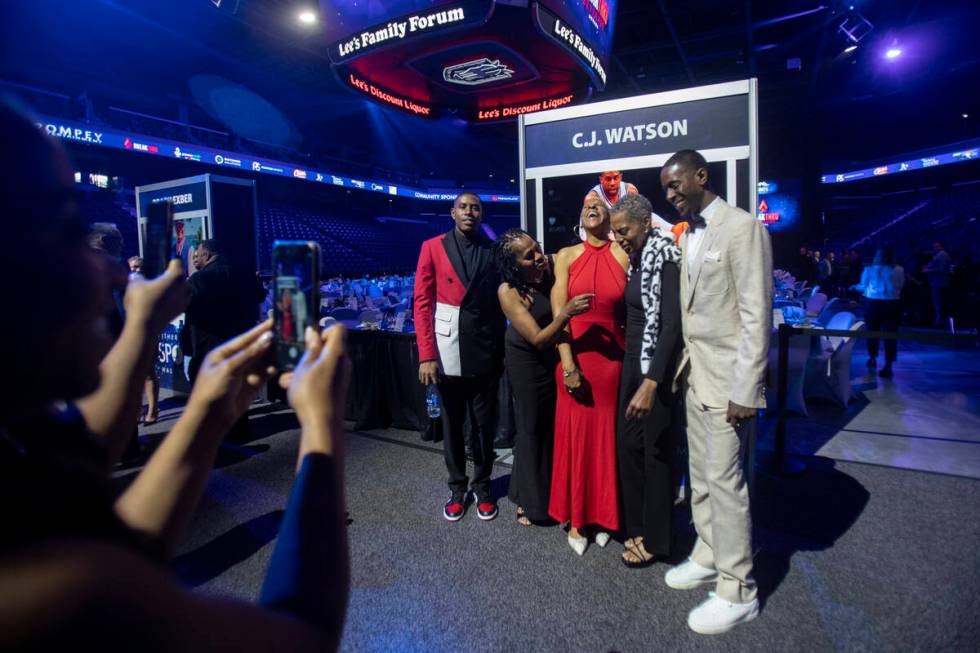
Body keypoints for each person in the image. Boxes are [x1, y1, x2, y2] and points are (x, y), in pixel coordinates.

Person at [0, 102, 351, 650]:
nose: (119, 270)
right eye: (71, 232)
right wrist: (321, 429)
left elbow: (88, 486)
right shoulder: (46, 603)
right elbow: (298, 635)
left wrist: (207, 407)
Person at [659, 150, 772, 634]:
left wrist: (747, 388)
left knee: (727, 486)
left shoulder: (742, 227)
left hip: (729, 386)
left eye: (675, 184)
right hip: (695, 377)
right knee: (702, 477)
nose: (670, 194)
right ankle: (708, 553)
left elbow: (755, 314)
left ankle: (739, 588)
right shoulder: (692, 234)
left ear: (701, 176)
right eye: (664, 189)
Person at [414, 192, 506, 522]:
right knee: (452, 425)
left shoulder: (493, 248)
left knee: (483, 426)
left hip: (485, 347)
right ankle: (456, 487)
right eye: (463, 207)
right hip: (447, 347)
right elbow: (422, 304)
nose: (469, 212)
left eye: (475, 207)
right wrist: (427, 355)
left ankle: (483, 487)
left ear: (482, 214)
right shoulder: (432, 247)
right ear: (452, 212)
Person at [494, 229, 593, 526]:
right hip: (527, 362)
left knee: (551, 427)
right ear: (513, 265)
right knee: (530, 429)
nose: (538, 257)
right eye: (529, 256)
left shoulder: (548, 265)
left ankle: (551, 492)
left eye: (536, 249)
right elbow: (537, 338)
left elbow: (578, 251)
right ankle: (528, 500)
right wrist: (567, 313)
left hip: (551, 357)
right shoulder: (508, 292)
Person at [549, 195, 629, 554]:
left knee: (607, 440)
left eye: (598, 204)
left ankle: (604, 516)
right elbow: (557, 318)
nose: (592, 207)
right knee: (578, 439)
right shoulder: (565, 256)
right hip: (575, 358)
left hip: (614, 364)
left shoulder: (625, 254)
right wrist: (568, 366)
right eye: (585, 205)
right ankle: (578, 519)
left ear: (610, 215)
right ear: (581, 217)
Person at [609, 194, 683, 568]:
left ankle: (657, 539)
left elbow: (672, 325)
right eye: (614, 231)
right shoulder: (638, 260)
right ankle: (636, 526)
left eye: (622, 230)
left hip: (656, 372)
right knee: (627, 445)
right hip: (632, 367)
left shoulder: (665, 256)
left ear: (645, 223)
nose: (618, 237)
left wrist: (652, 381)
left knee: (656, 454)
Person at [852, 248, 905, 378]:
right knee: (890, 335)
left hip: (873, 303)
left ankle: (872, 358)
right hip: (893, 304)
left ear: (877, 256)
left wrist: (853, 287)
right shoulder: (899, 269)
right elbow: (900, 286)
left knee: (872, 332)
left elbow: (863, 286)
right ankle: (888, 365)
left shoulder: (870, 269)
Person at [922, 241, 951, 326]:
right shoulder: (940, 255)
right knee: (939, 302)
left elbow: (942, 269)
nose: (935, 248)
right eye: (934, 246)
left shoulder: (942, 255)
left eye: (937, 246)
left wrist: (928, 270)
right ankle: (940, 320)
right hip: (939, 282)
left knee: (938, 302)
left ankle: (939, 320)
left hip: (939, 282)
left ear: (941, 247)